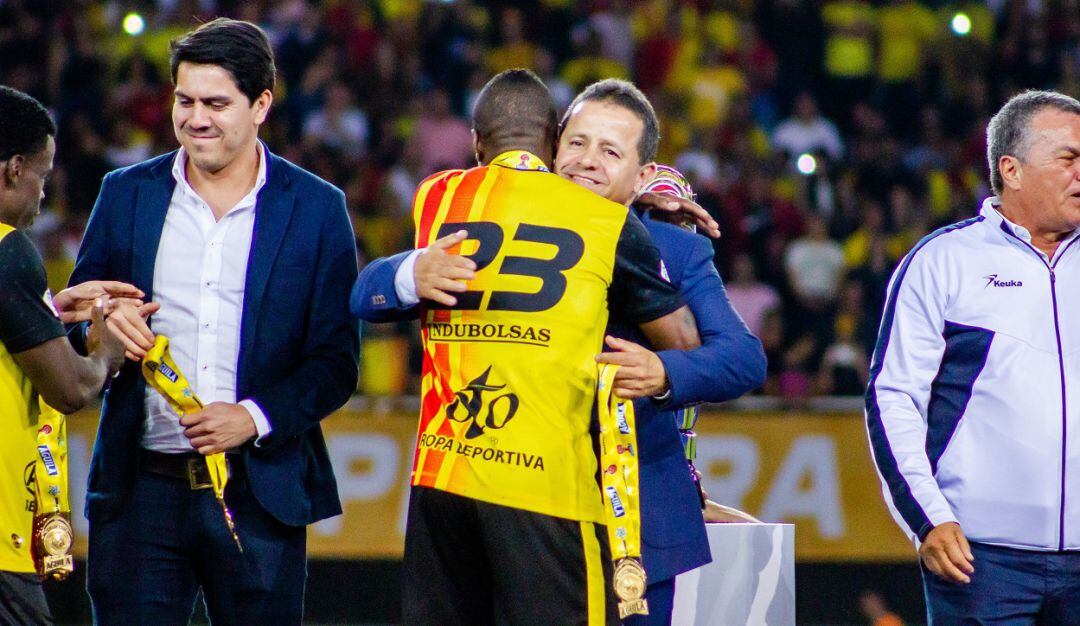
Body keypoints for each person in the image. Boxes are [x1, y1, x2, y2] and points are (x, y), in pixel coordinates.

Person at [353, 78, 766, 625]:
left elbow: (743, 358)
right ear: (551, 146)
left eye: (610, 152)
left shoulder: (673, 243)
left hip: (635, 524)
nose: (588, 160)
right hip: (504, 501)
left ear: (642, 174)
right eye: (577, 142)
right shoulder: (493, 217)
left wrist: (663, 371)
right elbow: (369, 290)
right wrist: (411, 270)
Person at [66, 19, 359, 624]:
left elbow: (335, 363)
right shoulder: (125, 193)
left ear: (261, 105)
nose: (196, 119)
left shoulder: (318, 209)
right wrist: (100, 327)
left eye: (216, 104)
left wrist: (252, 418)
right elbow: (78, 324)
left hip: (261, 496)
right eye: (185, 101)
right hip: (139, 493)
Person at [866, 90, 1080, 624]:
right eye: (1069, 158)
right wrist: (927, 518)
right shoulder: (943, 262)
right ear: (1012, 169)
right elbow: (893, 398)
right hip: (980, 561)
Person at [0, 85, 127, 626]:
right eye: (42, 177)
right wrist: (106, 350)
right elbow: (71, 388)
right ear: (14, 168)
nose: (42, 195)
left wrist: (44, 312)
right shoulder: (8, 250)